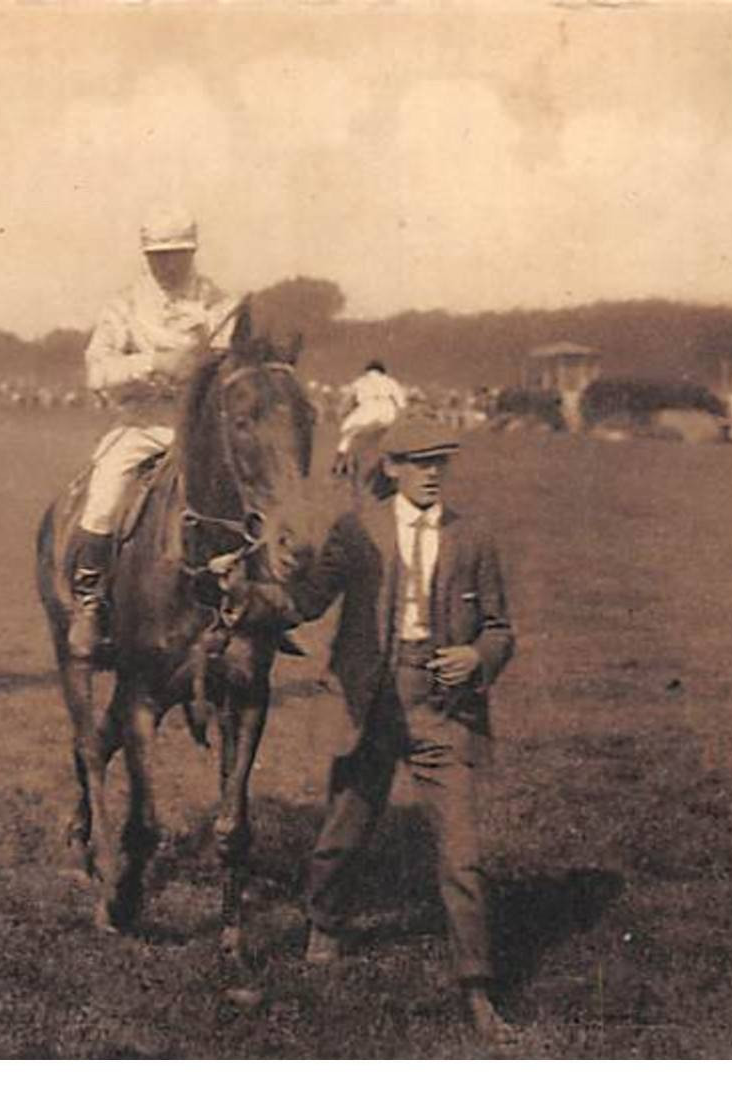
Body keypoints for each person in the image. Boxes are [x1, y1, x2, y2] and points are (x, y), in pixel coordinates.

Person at [277, 416, 519, 1042]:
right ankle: (325, 925)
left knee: (463, 854)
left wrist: (477, 659)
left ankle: (477, 984)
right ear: (390, 468)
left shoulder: (474, 538)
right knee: (343, 830)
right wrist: (276, 572)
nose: (433, 473)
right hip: (372, 703)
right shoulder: (360, 531)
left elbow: (500, 628)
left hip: (443, 709)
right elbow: (307, 600)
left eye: (441, 462)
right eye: (419, 462)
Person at [66, 203, 238, 659]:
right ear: (145, 255)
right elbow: (96, 370)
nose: (167, 263)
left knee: (249, 500)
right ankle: (90, 602)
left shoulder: (220, 304)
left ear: (192, 251)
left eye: (176, 253)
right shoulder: (123, 306)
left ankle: (257, 607)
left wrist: (205, 364)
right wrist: (153, 363)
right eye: (157, 254)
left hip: (203, 430)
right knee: (103, 498)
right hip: (143, 424)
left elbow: (236, 366)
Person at [333, 359, 409, 475]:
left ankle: (339, 463)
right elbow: (402, 404)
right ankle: (386, 466)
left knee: (348, 435)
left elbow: (346, 401)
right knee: (383, 440)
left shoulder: (360, 382)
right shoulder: (390, 382)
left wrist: (342, 414)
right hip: (387, 412)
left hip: (367, 411)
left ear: (367, 371)